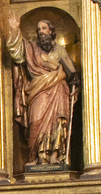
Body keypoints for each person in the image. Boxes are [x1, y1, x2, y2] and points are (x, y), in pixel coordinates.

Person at [6, 15, 79, 167]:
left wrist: (75, 85)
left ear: (52, 31)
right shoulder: (31, 48)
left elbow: (71, 72)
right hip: (37, 90)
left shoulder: (60, 49)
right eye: (39, 29)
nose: (41, 32)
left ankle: (54, 155)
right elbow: (17, 56)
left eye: (44, 28)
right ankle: (35, 156)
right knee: (36, 121)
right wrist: (15, 30)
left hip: (58, 89)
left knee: (58, 121)